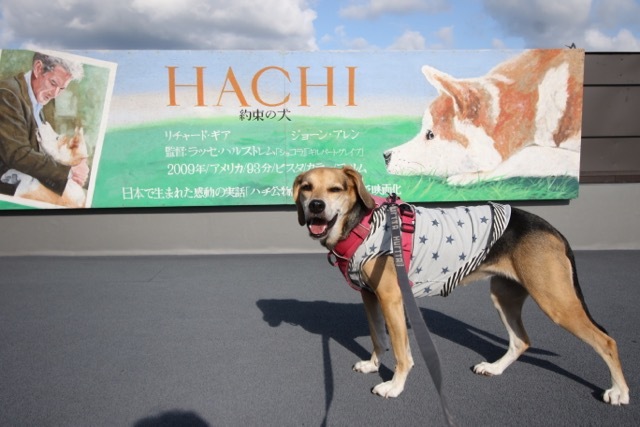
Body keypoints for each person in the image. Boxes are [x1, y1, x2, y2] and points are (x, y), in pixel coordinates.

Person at [0, 52, 88, 197]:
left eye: (62, 88)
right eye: (53, 83)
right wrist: (69, 172)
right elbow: (18, 155)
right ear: (38, 68)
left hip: (28, 176)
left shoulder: (38, 97)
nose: (55, 93)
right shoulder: (7, 94)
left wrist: (79, 164)